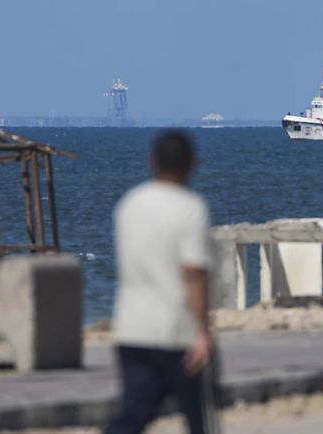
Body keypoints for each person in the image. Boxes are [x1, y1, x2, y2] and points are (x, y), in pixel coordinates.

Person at [106, 130, 219, 434]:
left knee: (133, 415)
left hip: (131, 330)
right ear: (193, 163)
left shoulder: (128, 205)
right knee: (200, 420)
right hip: (177, 334)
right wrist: (203, 332)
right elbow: (194, 274)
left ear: (152, 161)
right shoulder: (190, 208)